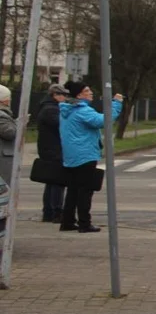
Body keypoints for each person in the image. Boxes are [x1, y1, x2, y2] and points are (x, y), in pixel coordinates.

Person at [59, 81, 123, 234]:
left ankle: (67, 221)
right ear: (79, 95)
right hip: (85, 155)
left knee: (73, 189)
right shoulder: (82, 110)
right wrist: (117, 104)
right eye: (87, 90)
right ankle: (84, 223)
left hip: (71, 155)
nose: (91, 93)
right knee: (85, 191)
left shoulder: (66, 109)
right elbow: (104, 121)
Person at [35, 84, 69, 223]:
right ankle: (55, 211)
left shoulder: (48, 107)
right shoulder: (51, 109)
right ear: (54, 95)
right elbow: (61, 125)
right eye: (63, 95)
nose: (65, 98)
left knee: (51, 181)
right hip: (53, 149)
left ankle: (49, 212)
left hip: (49, 148)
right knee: (57, 181)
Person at [0, 84, 16, 190]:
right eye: (8, 99)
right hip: (3, 157)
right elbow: (9, 133)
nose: (9, 101)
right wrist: (18, 125)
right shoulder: (2, 115)